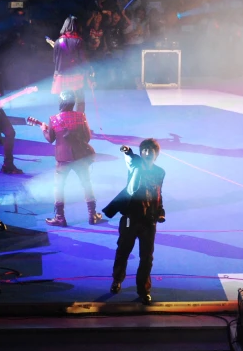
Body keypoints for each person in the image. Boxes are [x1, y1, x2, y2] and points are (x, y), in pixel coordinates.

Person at [103, 139, 166, 305]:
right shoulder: (136, 165)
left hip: (149, 220)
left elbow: (159, 193)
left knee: (147, 257)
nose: (146, 153)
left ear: (156, 154)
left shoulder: (160, 172)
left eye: (149, 151)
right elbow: (131, 158)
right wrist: (127, 151)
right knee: (123, 249)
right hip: (131, 217)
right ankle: (117, 280)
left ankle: (144, 289)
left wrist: (160, 211)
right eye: (143, 150)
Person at [41, 91, 100, 227]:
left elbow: (50, 139)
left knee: (59, 187)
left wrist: (44, 130)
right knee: (86, 184)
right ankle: (92, 215)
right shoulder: (81, 116)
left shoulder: (54, 119)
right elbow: (87, 137)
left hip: (63, 159)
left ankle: (60, 217)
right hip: (80, 157)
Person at [51, 16, 92, 112]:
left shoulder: (58, 42)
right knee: (79, 101)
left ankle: (64, 123)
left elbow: (54, 60)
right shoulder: (78, 41)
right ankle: (79, 122)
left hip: (62, 77)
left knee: (65, 101)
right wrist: (88, 71)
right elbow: (82, 60)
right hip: (76, 76)